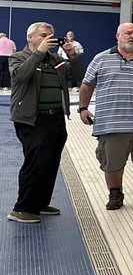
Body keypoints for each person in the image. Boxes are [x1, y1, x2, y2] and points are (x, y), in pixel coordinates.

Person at [78, 23, 133, 211]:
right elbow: (87, 84)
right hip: (110, 123)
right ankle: (115, 195)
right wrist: (83, 108)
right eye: (128, 33)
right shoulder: (101, 59)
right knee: (112, 163)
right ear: (117, 35)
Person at [7, 23, 84, 223]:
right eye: (43, 35)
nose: (48, 38)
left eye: (50, 35)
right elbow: (21, 75)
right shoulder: (18, 57)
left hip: (55, 117)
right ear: (30, 37)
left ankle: (40, 202)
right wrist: (38, 54)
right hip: (32, 118)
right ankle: (22, 208)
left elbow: (78, 75)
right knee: (35, 162)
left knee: (50, 162)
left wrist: (73, 56)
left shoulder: (56, 60)